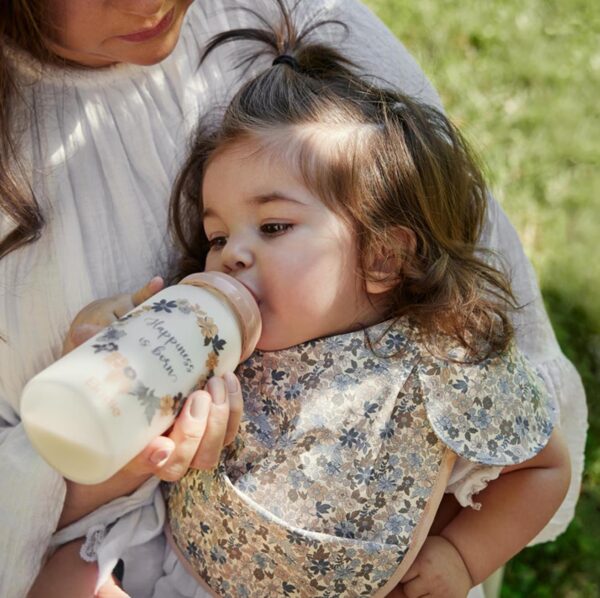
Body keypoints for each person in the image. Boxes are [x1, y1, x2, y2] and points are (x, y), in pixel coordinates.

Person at [0, 0, 585, 596]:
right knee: (67, 578)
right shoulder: (216, 345)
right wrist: (118, 359)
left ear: (383, 255)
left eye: (273, 228)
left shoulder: (442, 361)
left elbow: (544, 467)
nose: (232, 256)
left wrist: (462, 556)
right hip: (176, 563)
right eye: (218, 236)